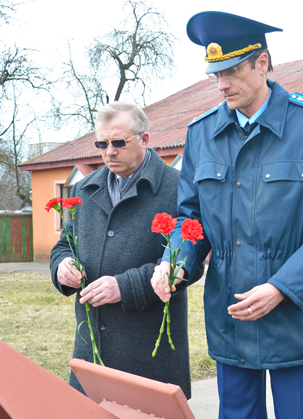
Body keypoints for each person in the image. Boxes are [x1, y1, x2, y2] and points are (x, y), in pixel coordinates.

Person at [150, 12, 303, 419]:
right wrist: (173, 262)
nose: (221, 84)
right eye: (215, 74)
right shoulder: (202, 133)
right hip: (233, 317)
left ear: (262, 63)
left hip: (296, 318)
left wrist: (282, 286)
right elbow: (191, 221)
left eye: (230, 72)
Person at [50, 102, 200, 398]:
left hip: (150, 359)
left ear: (145, 139)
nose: (109, 151)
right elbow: (66, 242)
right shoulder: (84, 189)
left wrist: (124, 286)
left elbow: (188, 264)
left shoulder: (178, 186)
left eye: (119, 142)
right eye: (101, 144)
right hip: (91, 353)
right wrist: (62, 265)